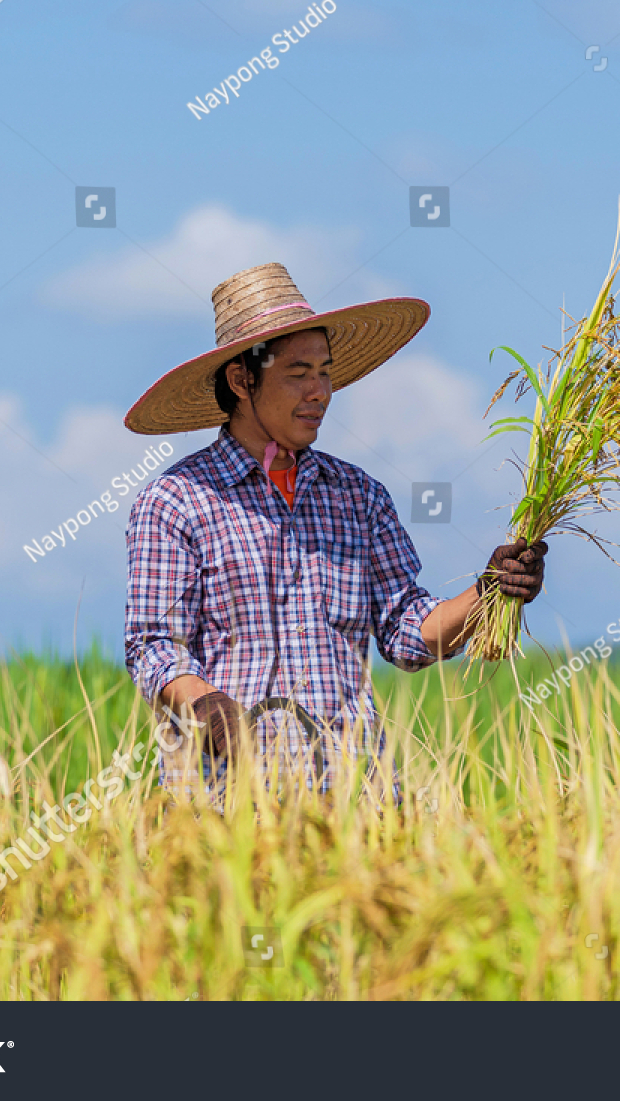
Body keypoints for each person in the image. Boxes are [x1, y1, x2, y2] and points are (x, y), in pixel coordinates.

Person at [123, 262, 547, 795]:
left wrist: (487, 593)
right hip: (226, 803)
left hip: (355, 804)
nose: (320, 391)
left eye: (325, 372)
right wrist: (202, 702)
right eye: (298, 373)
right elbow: (154, 644)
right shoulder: (177, 500)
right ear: (241, 380)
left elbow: (406, 632)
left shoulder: (357, 496)